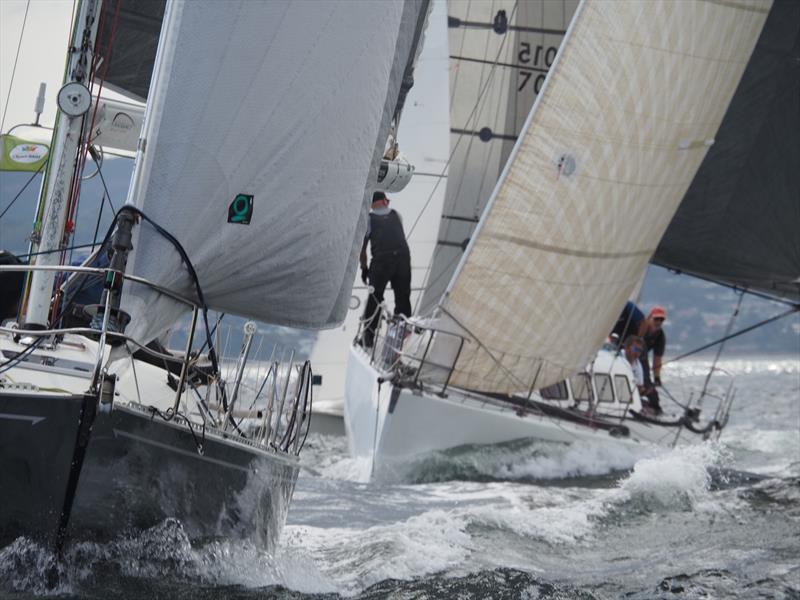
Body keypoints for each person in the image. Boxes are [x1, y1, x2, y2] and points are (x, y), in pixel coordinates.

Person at [359, 191, 411, 348]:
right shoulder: (397, 215)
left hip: (382, 262)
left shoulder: (368, 220)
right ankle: (399, 339)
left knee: (375, 299)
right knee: (403, 299)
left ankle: (368, 337)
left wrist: (364, 268)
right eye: (387, 200)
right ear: (383, 201)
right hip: (403, 258)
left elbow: (362, 249)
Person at [639, 305, 667, 413]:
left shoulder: (660, 336)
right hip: (632, 353)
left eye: (661, 319)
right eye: (656, 319)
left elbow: (657, 358)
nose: (659, 322)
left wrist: (657, 377)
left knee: (649, 386)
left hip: (643, 357)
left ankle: (654, 408)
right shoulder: (642, 327)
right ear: (650, 318)